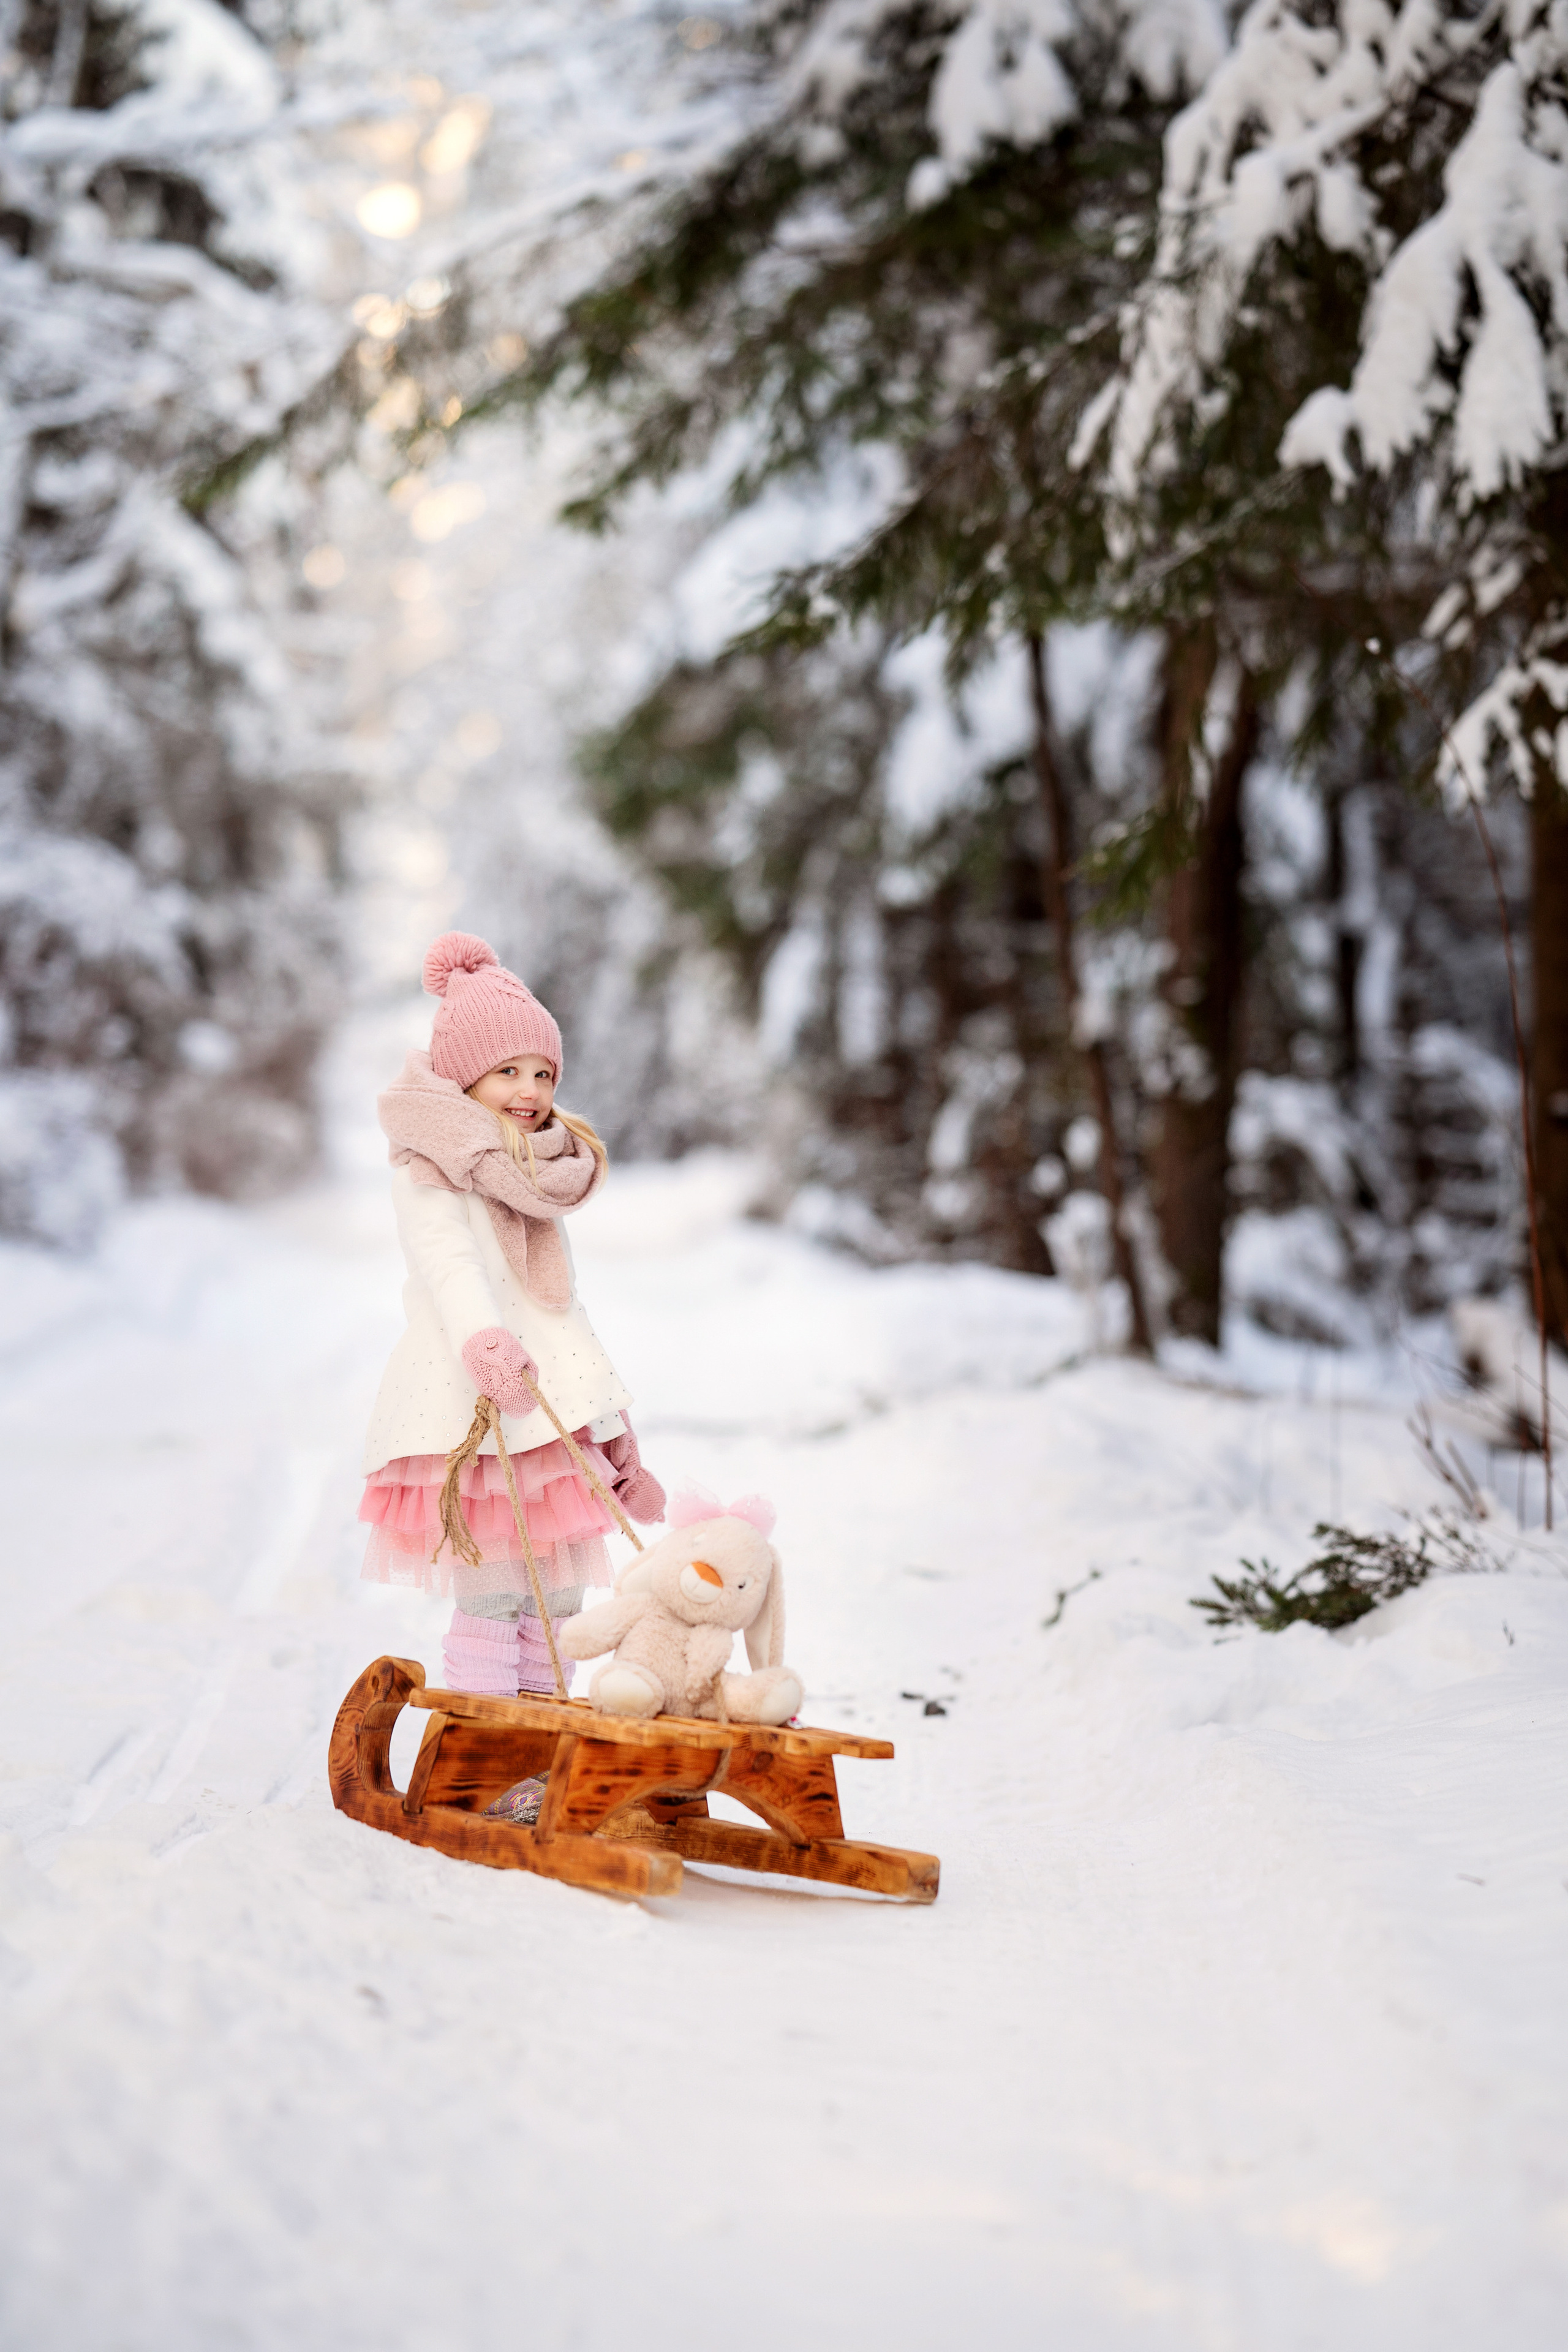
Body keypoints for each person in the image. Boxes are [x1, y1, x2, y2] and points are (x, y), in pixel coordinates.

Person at [357, 930, 665, 1698]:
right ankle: (482, 1756)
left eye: (541, 1073)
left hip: (549, 1405)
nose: (529, 1090)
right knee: (497, 1593)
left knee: (558, 1598)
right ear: (465, 1077)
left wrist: (612, 1426)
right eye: (506, 1072)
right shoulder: (433, 1162)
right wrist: (484, 1342)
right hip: (477, 1399)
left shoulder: (530, 1169)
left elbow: (559, 1307)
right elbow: (446, 1261)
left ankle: (540, 1749)